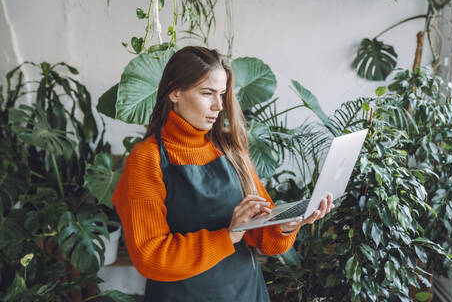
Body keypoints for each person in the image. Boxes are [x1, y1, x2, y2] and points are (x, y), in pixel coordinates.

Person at [111, 46, 334, 302]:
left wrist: (285, 225)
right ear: (175, 92)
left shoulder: (230, 148)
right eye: (207, 93)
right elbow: (150, 257)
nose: (218, 106)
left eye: (222, 94)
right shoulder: (147, 158)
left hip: (247, 292)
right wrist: (228, 236)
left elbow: (265, 239)